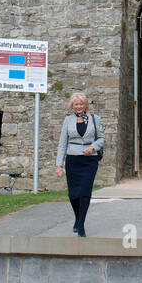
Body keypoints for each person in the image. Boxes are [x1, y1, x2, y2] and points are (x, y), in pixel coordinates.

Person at [55, 92, 104, 237]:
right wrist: (59, 165)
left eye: (81, 104)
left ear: (85, 105)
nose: (79, 107)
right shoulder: (68, 120)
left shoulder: (95, 119)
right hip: (73, 160)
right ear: (72, 106)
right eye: (76, 104)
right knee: (73, 194)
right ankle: (77, 218)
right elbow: (62, 144)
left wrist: (93, 147)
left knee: (84, 193)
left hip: (89, 161)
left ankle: (81, 224)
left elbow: (101, 138)